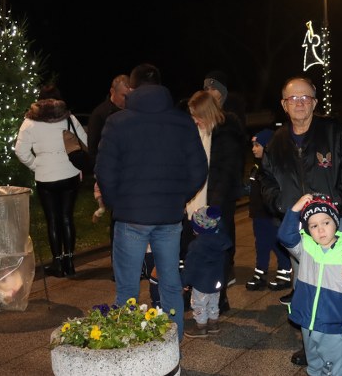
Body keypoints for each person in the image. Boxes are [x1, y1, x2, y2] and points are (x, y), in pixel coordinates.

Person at [259, 75, 342, 373]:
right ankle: (312, 342)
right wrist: (282, 206)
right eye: (293, 98)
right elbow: (266, 180)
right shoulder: (277, 142)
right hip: (301, 229)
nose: (299, 103)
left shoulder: (334, 132)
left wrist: (337, 205)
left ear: (315, 102)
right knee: (306, 284)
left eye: (305, 97)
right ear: (284, 104)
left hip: (338, 223)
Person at [94, 63, 208, 342]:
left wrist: (117, 203)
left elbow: (104, 171)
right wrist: (178, 198)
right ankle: (172, 349)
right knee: (170, 285)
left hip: (130, 217)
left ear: (132, 88)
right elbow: (199, 170)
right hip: (169, 217)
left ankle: (128, 349)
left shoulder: (117, 122)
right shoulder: (182, 122)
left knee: (127, 290)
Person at [280, 195, 342, 376]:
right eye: (314, 226)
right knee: (314, 364)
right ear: (308, 229)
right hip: (307, 323)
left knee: (334, 368)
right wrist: (295, 209)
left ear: (336, 223)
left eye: (326, 223)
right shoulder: (306, 247)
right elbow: (285, 236)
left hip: (333, 325)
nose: (321, 229)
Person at [14, 84, 88, 278]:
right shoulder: (68, 118)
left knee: (53, 219)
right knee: (67, 217)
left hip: (46, 177)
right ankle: (70, 262)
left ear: (39, 101)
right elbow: (85, 141)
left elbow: (20, 151)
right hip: (69, 172)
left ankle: (58, 263)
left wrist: (36, 165)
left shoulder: (30, 122)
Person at [184, 90, 247, 312]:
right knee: (195, 252)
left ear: (208, 113)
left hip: (216, 205)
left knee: (215, 253)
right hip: (196, 202)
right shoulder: (199, 132)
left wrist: (212, 210)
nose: (194, 120)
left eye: (197, 115)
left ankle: (219, 298)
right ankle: (196, 294)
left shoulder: (226, 135)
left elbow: (225, 174)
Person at [245, 128, 292, 291]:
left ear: (268, 147)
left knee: (277, 244)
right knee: (261, 244)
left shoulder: (275, 168)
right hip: (258, 214)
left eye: (257, 145)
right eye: (253, 145)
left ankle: (284, 273)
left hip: (271, 215)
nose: (253, 149)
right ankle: (260, 273)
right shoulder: (256, 168)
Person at [181, 205, 232, 338]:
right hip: (217, 280)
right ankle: (213, 324)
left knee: (199, 303)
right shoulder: (221, 240)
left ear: (198, 228)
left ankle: (201, 327)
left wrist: (184, 282)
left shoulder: (196, 246)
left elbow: (190, 267)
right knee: (214, 301)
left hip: (201, 282)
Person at [87, 74, 130, 224]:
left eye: (129, 96)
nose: (127, 100)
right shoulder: (99, 114)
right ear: (112, 91)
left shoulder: (133, 111)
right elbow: (93, 147)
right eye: (123, 96)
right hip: (111, 170)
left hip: (129, 172)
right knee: (117, 215)